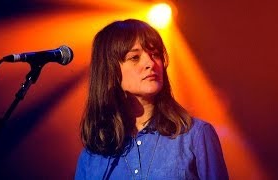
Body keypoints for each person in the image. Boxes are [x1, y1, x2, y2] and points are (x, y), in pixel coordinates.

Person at [75, 19, 228, 179]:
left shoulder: (196, 135)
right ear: (109, 71)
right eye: (135, 57)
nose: (151, 63)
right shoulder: (92, 157)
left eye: (155, 54)